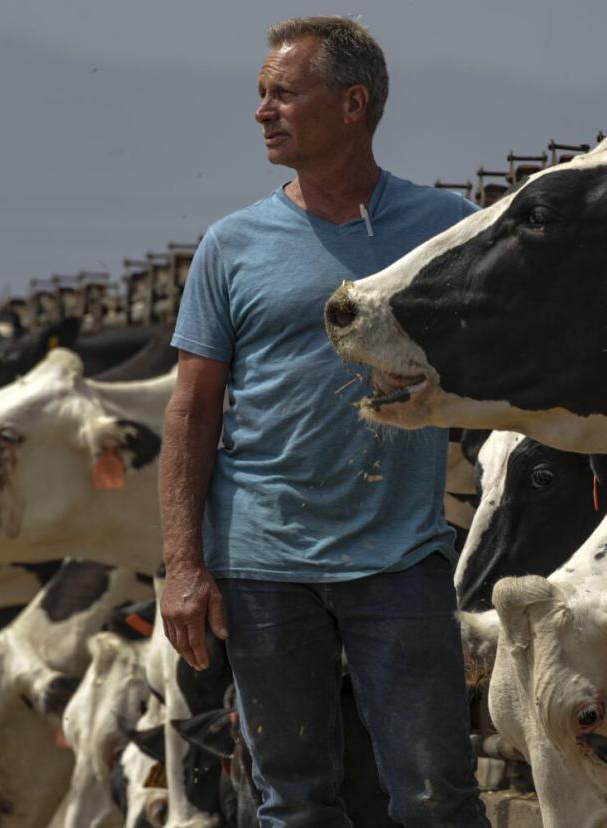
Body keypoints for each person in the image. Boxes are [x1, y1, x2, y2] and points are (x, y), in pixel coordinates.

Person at [159, 16, 489, 828]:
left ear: (352, 104)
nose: (263, 112)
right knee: (295, 802)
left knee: (436, 796)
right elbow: (192, 407)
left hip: (400, 557)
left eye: (283, 94)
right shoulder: (230, 246)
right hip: (264, 563)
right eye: (261, 95)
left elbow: (507, 350)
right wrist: (182, 565)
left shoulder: (446, 227)